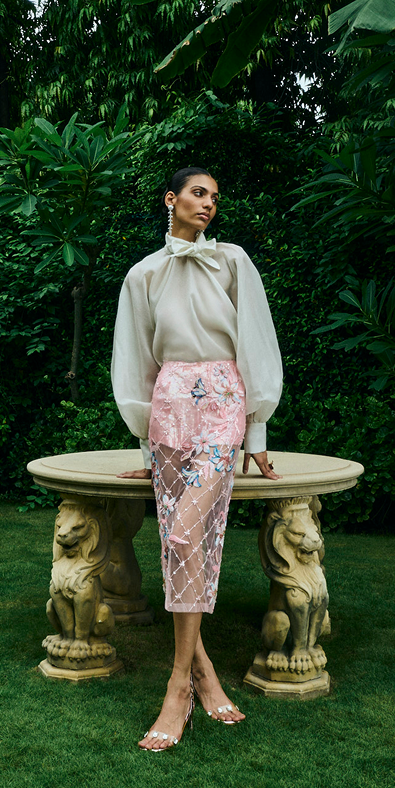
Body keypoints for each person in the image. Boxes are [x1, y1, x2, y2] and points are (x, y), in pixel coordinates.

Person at [111, 167, 283, 751]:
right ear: (172, 199)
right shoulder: (142, 274)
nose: (208, 203)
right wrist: (142, 440)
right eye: (198, 193)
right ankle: (204, 671)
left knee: (185, 537)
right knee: (178, 540)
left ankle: (177, 683)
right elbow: (135, 361)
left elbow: (257, 343)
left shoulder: (233, 261)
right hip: (167, 411)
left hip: (222, 406)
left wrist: (255, 436)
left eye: (215, 196)